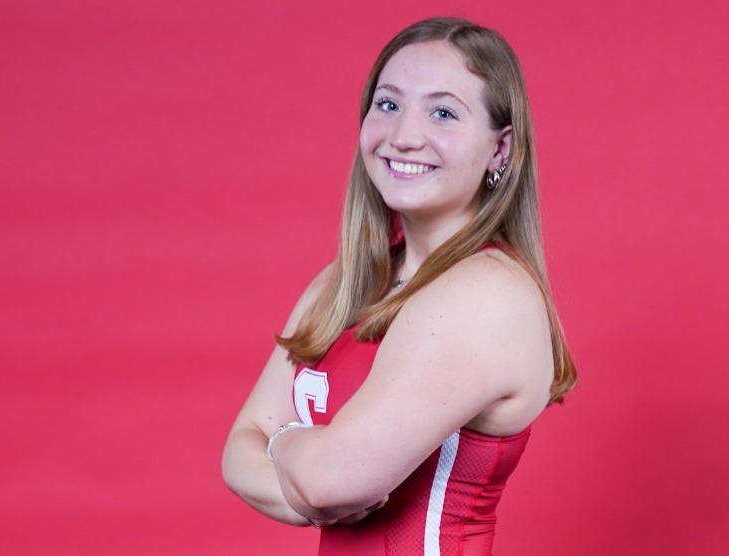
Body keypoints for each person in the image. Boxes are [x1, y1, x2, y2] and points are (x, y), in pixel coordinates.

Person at [222, 17, 577, 555]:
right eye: (387, 104)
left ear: (500, 149)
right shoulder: (345, 283)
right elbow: (239, 450)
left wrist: (288, 443)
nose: (404, 136)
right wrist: (309, 473)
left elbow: (333, 481)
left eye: (442, 112)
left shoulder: (486, 292)